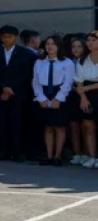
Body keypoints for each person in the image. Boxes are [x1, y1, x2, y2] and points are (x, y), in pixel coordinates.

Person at [0, 25, 36, 162]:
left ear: (16, 38)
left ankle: (18, 152)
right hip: (2, 94)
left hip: (19, 94)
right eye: (4, 37)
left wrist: (12, 88)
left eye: (9, 37)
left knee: (18, 123)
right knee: (2, 123)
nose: (6, 40)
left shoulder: (26, 54)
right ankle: (3, 151)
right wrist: (4, 87)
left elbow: (28, 75)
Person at [33, 36, 74, 166]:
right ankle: (49, 155)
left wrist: (59, 98)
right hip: (45, 93)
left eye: (53, 44)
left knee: (59, 127)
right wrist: (41, 97)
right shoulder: (39, 62)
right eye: (48, 44)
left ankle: (57, 156)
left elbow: (68, 82)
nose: (50, 46)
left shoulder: (67, 62)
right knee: (48, 127)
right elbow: (35, 81)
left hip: (59, 94)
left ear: (59, 46)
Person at [75, 31, 98, 168]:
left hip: (91, 90)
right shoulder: (81, 60)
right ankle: (92, 156)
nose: (90, 43)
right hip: (87, 96)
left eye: (94, 40)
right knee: (89, 127)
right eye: (88, 40)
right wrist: (83, 98)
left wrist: (87, 89)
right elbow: (79, 82)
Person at [65, 36, 88, 166]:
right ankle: (77, 153)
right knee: (73, 126)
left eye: (79, 46)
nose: (76, 49)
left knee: (86, 126)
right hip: (71, 96)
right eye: (73, 47)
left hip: (85, 94)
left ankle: (87, 153)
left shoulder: (87, 61)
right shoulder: (68, 61)